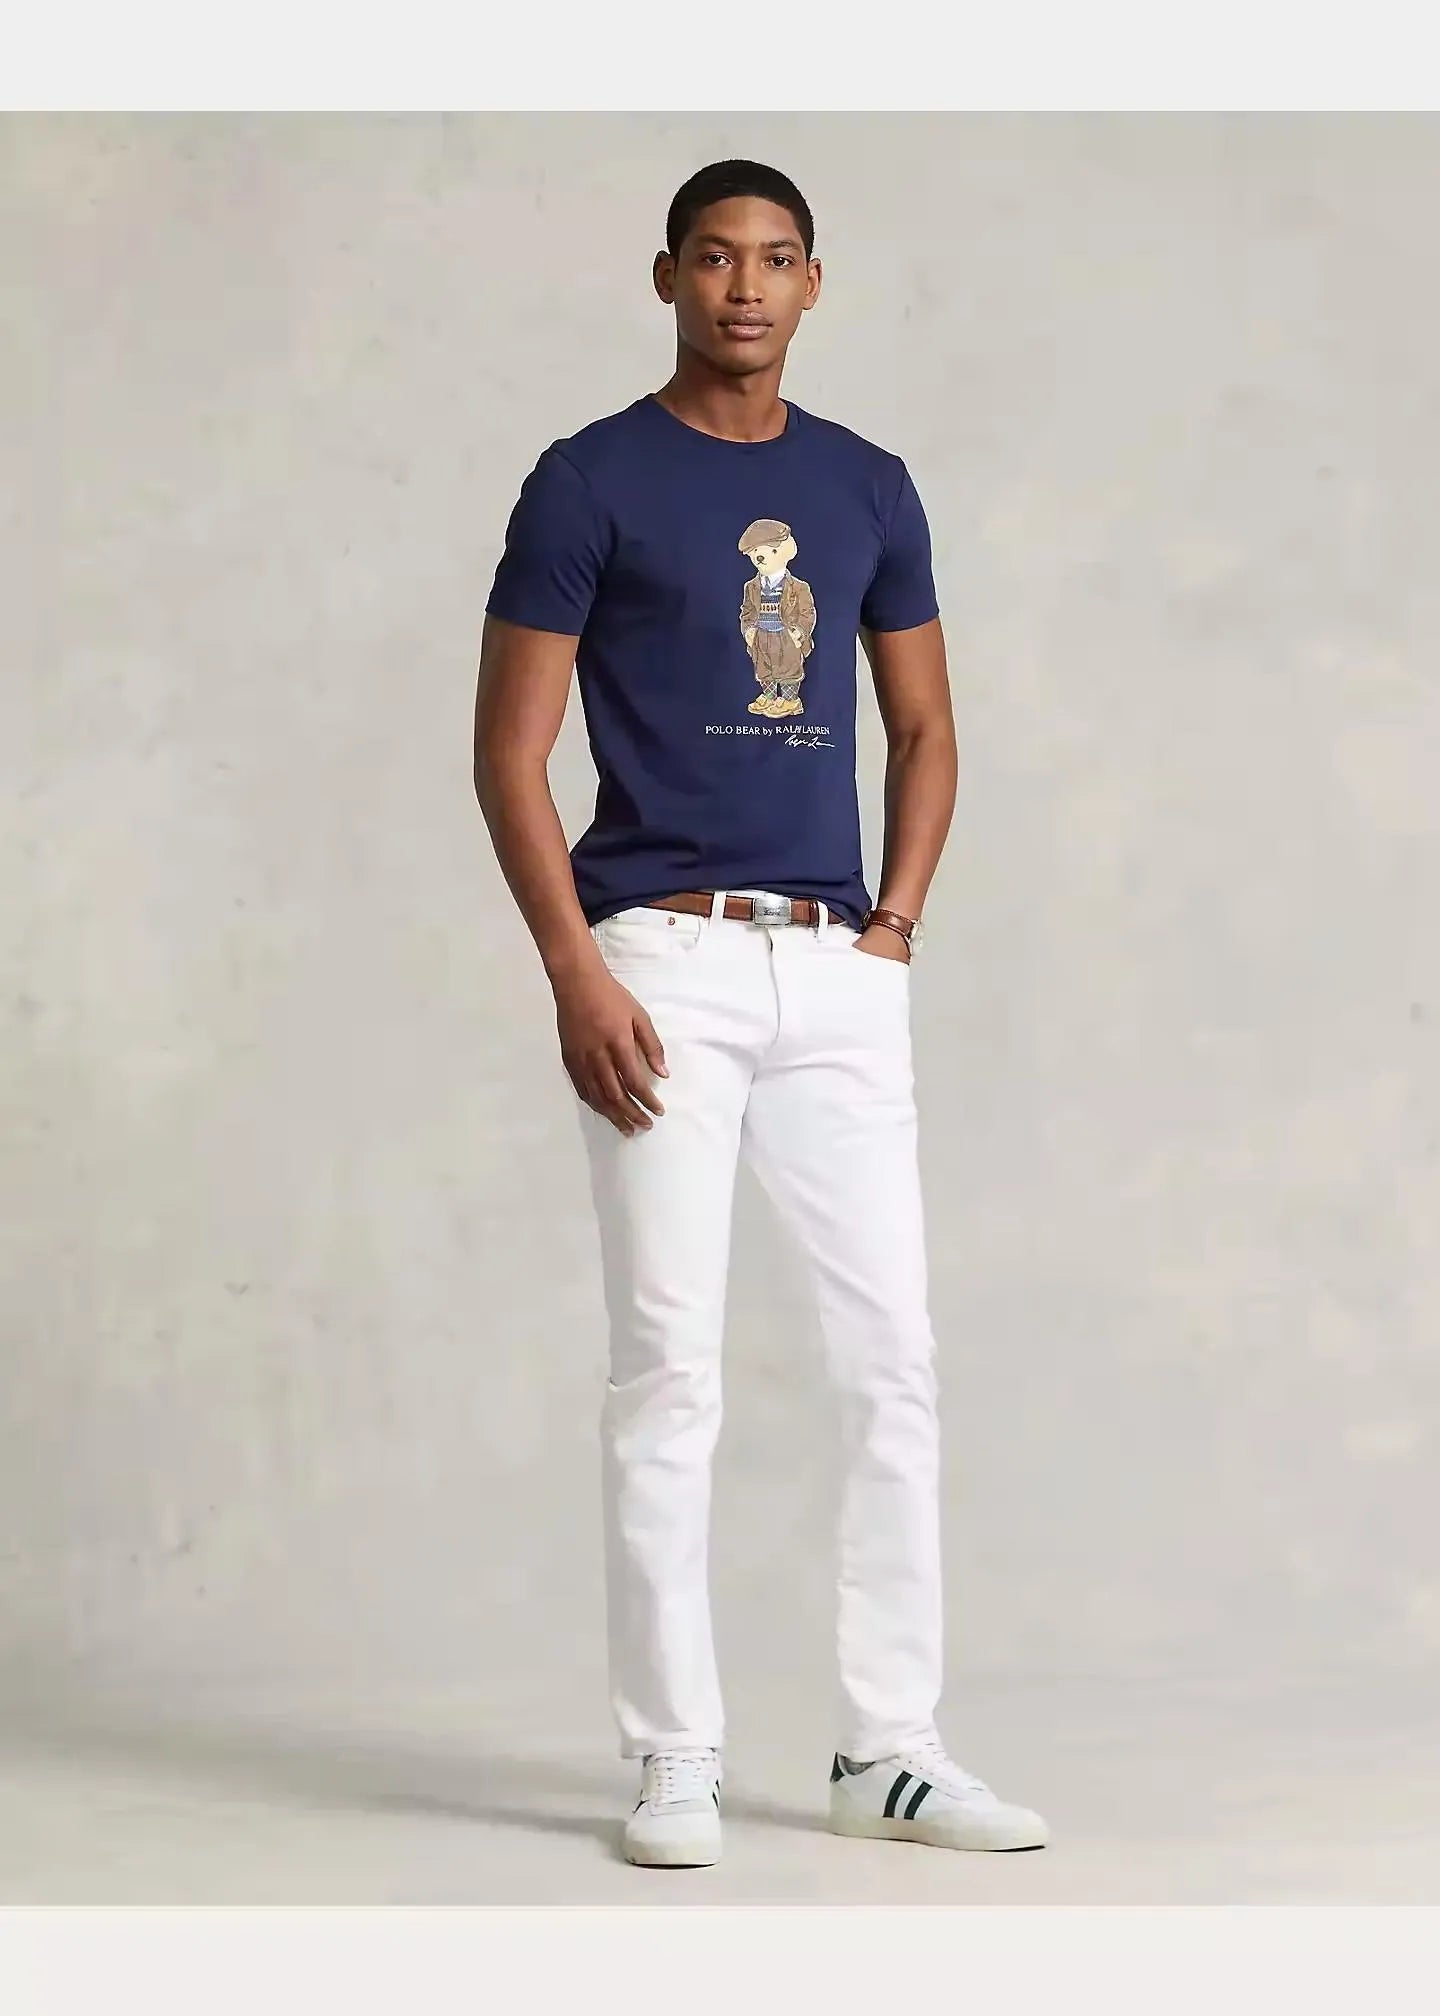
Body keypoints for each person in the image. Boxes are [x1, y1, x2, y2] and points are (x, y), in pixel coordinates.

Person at [473, 158, 1048, 1869]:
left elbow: (926, 728)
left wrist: (894, 932)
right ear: (667, 276)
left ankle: (892, 1751)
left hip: (835, 972)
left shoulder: (868, 485)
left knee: (891, 1364)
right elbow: (510, 750)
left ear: (813, 284)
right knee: (669, 1369)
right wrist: (575, 966)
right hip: (658, 963)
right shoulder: (589, 480)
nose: (744, 285)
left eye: (776, 258)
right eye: (715, 257)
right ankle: (675, 1757)